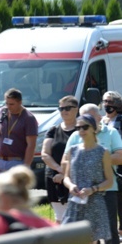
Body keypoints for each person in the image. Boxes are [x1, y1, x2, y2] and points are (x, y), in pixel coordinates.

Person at [65, 104, 122, 244]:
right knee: (90, 234)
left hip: (107, 191)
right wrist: (70, 184)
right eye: (79, 125)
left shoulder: (111, 134)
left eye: (87, 124)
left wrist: (100, 161)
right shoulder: (74, 141)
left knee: (109, 231)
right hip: (81, 196)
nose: (82, 129)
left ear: (97, 121)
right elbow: (65, 162)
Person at [62, 114, 114, 244]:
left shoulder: (103, 152)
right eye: (78, 128)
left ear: (94, 129)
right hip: (75, 203)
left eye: (84, 127)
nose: (81, 131)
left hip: (94, 203)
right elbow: (66, 177)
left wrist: (93, 189)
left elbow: (109, 181)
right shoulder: (73, 150)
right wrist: (71, 186)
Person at [101, 91, 122, 243]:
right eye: (104, 101)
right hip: (104, 164)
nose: (106, 105)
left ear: (117, 104)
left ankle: (121, 230)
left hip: (120, 164)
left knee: (120, 198)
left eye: (109, 101)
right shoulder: (101, 121)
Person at [41, 96, 79, 224]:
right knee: (60, 218)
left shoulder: (82, 130)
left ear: (76, 109)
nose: (64, 111)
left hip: (76, 177)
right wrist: (60, 170)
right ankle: (61, 243)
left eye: (67, 108)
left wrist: (65, 174)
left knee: (76, 218)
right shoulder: (53, 130)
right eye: (61, 108)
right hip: (54, 177)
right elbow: (45, 154)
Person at [0, 88, 38, 176]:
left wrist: (26, 167)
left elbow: (31, 145)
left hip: (16, 163)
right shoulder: (3, 111)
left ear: (20, 102)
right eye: (7, 103)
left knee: (13, 190)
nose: (8, 106)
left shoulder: (29, 118)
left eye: (12, 104)